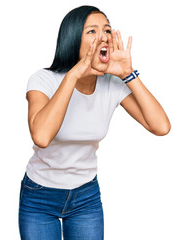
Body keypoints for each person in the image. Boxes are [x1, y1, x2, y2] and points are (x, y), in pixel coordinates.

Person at [18, 5, 171, 240]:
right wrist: (73, 75)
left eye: (107, 30)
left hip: (85, 196)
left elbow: (161, 126)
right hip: (40, 195)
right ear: (72, 38)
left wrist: (127, 74)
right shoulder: (43, 80)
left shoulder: (112, 85)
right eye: (92, 31)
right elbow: (41, 136)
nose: (103, 36)